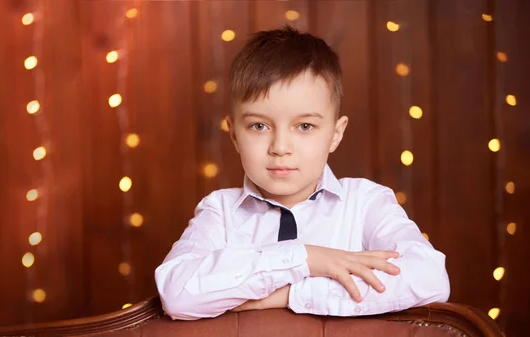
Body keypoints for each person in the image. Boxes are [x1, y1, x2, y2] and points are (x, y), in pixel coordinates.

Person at [154, 25, 450, 321]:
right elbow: (177, 293)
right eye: (259, 126)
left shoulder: (366, 203)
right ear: (234, 135)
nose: (280, 147)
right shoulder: (219, 212)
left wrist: (289, 295)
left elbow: (429, 278)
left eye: (304, 126)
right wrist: (305, 258)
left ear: (335, 134)